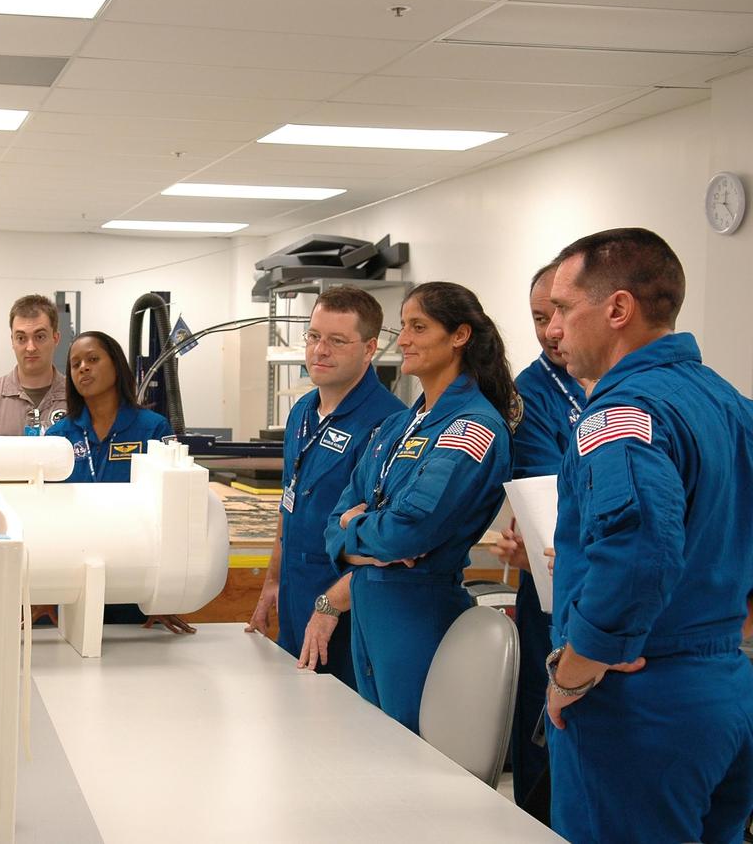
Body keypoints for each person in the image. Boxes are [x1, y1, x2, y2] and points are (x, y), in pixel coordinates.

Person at [543, 228, 753, 844]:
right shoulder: (730, 404)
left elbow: (638, 552)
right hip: (727, 690)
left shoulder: (618, 414)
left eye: (562, 308)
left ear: (617, 309)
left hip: (640, 698)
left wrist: (577, 667)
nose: (552, 328)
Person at [322, 282, 515, 732]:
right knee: (378, 749)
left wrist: (359, 529)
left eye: (418, 327)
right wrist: (363, 536)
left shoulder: (471, 427)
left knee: (414, 757)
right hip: (372, 606)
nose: (402, 339)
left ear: (460, 336)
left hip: (417, 611)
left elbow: (410, 530)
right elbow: (335, 522)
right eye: (403, 326)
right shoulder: (399, 424)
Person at [243, 287, 403, 684]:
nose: (320, 350)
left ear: (369, 349)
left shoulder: (388, 424)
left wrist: (332, 605)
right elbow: (289, 503)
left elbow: (388, 542)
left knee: (340, 726)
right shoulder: (301, 411)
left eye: (337, 340)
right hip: (297, 594)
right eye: (314, 337)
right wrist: (272, 583)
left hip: (346, 608)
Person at [488, 262, 589, 820]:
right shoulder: (531, 392)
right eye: (537, 317)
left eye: (560, 313)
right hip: (553, 601)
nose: (550, 329)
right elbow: (547, 514)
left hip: (607, 605)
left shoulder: (627, 392)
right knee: (546, 760)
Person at [45, 330, 192, 633]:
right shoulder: (59, 436)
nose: (83, 367)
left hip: (136, 581)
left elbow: (174, 510)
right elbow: (45, 518)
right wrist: (43, 589)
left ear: (116, 365)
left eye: (93, 359)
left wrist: (164, 595)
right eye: (75, 364)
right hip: (73, 582)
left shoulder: (152, 428)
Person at [0, 294, 67, 435]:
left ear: (55, 339)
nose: (30, 347)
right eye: (21, 338)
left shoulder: (76, 397)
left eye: (40, 337)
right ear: (12, 341)